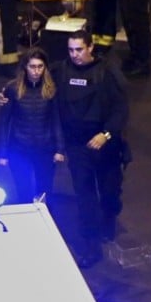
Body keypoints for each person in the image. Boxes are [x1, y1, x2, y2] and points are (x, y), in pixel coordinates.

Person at [53, 29, 128, 268]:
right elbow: (33, 81)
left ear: (91, 47)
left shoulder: (107, 73)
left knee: (109, 193)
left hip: (105, 144)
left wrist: (106, 134)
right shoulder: (61, 71)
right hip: (77, 145)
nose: (75, 55)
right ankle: (90, 245)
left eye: (79, 49)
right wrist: (8, 95)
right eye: (71, 50)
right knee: (85, 196)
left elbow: (120, 109)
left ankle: (108, 222)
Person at [0, 48, 65, 203]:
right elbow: (4, 122)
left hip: (45, 148)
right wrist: (1, 153)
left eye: (40, 66)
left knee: (45, 191)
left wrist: (60, 149)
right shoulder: (12, 89)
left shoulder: (51, 89)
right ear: (25, 67)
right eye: (32, 66)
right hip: (19, 148)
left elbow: (56, 119)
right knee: (23, 191)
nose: (36, 71)